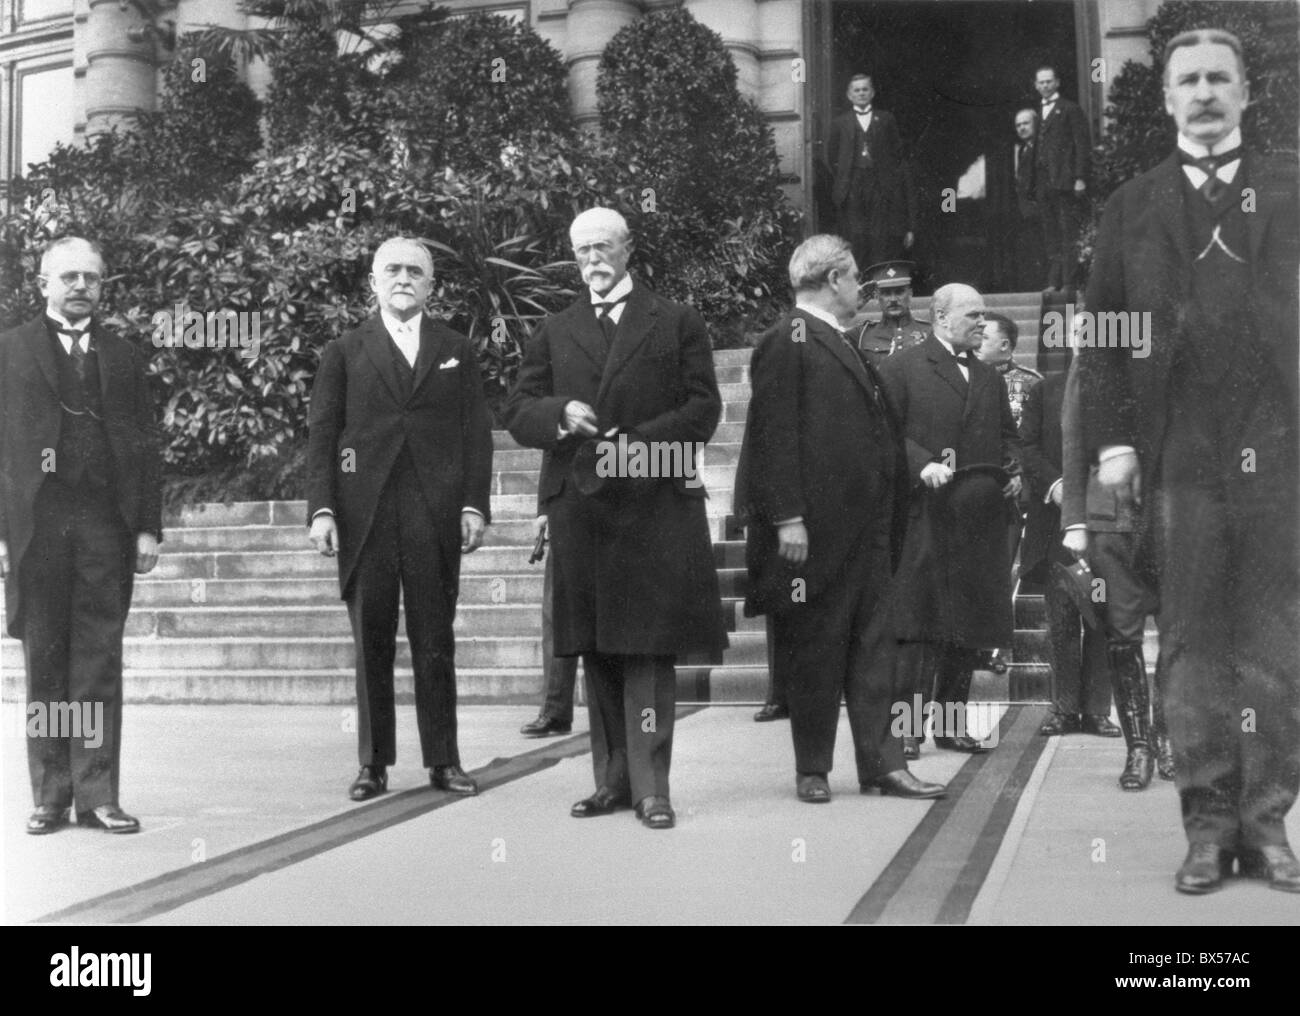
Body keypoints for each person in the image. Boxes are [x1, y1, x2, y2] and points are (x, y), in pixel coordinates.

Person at [1077, 29, 1299, 894]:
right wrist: (1117, 442)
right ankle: (1207, 827)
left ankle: (1269, 825)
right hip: (1180, 448)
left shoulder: (1289, 187)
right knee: (1195, 642)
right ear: (1167, 99)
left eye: (1219, 79)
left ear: (1246, 93)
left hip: (1278, 444)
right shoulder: (1131, 206)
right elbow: (1101, 336)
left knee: (1278, 638)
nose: (1204, 93)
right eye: (1188, 81)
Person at [504, 208, 728, 831]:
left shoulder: (676, 319)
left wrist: (633, 446)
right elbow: (519, 409)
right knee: (597, 648)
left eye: (603, 247)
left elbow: (703, 409)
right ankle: (612, 781)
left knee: (648, 652)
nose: (593, 261)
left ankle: (653, 788)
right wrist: (558, 411)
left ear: (630, 249)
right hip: (583, 511)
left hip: (654, 507)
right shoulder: (554, 329)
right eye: (581, 252)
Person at [735, 234, 944, 803]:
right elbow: (773, 435)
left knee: (876, 652)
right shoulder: (788, 339)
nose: (863, 290)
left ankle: (884, 765)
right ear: (832, 280)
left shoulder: (842, 341)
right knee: (816, 648)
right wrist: (787, 519)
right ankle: (813, 769)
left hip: (869, 532)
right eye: (855, 279)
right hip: (817, 535)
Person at [306, 237, 493, 801]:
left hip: (433, 513)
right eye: (393, 270)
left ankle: (444, 759)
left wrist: (472, 504)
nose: (404, 278)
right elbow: (323, 434)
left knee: (435, 637)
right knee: (372, 639)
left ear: (432, 286)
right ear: (373, 281)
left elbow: (475, 435)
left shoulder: (455, 347)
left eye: (416, 271)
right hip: (366, 514)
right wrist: (321, 509)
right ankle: (373, 763)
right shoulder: (344, 350)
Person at [0, 237, 162, 835]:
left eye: (91, 279)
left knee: (97, 660)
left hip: (103, 525)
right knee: (45, 660)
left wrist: (147, 526)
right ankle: (50, 793)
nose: (79, 287)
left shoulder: (122, 356)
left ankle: (97, 794)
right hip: (36, 527)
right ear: (43, 282)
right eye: (67, 276)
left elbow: (146, 444)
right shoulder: (9, 351)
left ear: (102, 287)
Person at [877, 284, 1022, 759]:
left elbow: (1007, 437)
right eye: (973, 315)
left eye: (984, 315)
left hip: (977, 518)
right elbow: (884, 434)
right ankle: (905, 731)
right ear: (940, 316)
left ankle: (950, 726)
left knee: (967, 625)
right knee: (918, 626)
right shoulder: (901, 368)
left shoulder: (988, 377)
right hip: (925, 513)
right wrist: (921, 464)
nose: (983, 323)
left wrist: (1015, 472)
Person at [1059, 360, 1171, 788]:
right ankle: (1139, 748)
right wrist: (1074, 520)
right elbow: (1073, 440)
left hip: (1175, 520)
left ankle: (1168, 741)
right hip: (1111, 521)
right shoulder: (1097, 354)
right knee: (1123, 636)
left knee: (1179, 636)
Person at [1018, 370, 1117, 740]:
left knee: (1101, 617)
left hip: (1108, 523)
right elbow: (1025, 446)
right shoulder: (1046, 389)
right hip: (1056, 521)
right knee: (1060, 621)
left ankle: (1096, 711)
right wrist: (1055, 485)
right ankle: (1063, 708)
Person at [827, 74, 917, 273]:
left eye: (865, 89)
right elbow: (832, 156)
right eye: (856, 90)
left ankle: (878, 283)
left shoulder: (885, 119)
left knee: (879, 235)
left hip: (878, 184)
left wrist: (886, 179)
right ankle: (858, 285)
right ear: (849, 95)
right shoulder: (840, 123)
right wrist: (845, 180)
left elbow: (896, 153)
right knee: (855, 235)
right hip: (852, 185)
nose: (861, 93)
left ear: (872, 93)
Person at [519, 514, 579, 737]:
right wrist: (545, 509)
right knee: (556, 616)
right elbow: (550, 475)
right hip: (568, 514)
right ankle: (556, 711)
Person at [1033, 66, 1091, 293]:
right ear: (1036, 86)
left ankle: (1068, 283)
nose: (1045, 86)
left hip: (1065, 182)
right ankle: (1053, 281)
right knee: (1051, 234)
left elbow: (1082, 145)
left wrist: (1079, 177)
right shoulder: (1038, 112)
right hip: (1045, 183)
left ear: (1057, 83)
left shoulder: (1070, 109)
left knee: (1068, 232)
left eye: (1049, 81)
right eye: (1041, 82)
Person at [852, 260, 930, 367]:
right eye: (886, 293)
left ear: (910, 293)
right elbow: (830, 336)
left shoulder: (930, 331)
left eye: (899, 292)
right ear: (876, 296)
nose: (893, 299)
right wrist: (853, 306)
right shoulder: (862, 334)